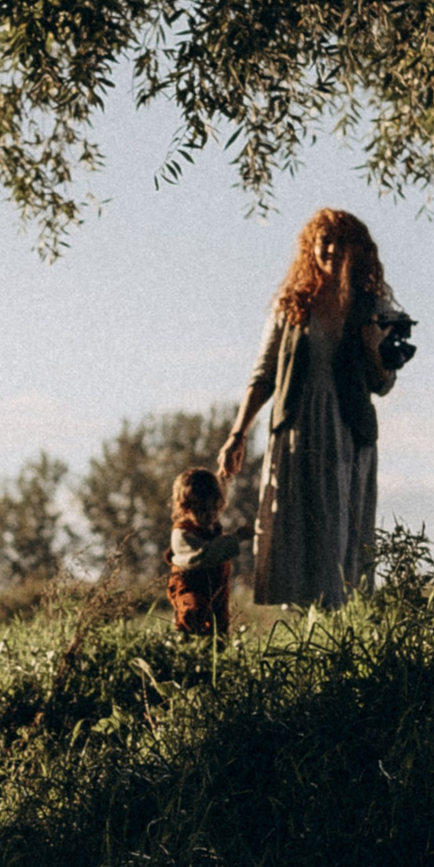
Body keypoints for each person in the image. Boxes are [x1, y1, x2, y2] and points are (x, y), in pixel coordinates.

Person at [218, 208, 404, 609]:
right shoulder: (292, 305)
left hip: (347, 430)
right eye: (325, 241)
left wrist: (374, 347)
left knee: (340, 525)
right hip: (298, 428)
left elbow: (384, 384)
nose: (332, 249)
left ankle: (339, 623)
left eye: (341, 241)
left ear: (358, 250)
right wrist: (238, 433)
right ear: (311, 246)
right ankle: (304, 627)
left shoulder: (373, 305)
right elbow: (263, 373)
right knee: (297, 523)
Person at [165, 464, 236, 637]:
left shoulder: (213, 529)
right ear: (185, 508)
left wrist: (226, 473)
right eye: (202, 510)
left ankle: (218, 653)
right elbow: (203, 556)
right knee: (191, 616)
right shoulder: (182, 534)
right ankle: (183, 648)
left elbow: (223, 486)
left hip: (216, 587)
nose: (210, 515)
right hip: (190, 587)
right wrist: (236, 539)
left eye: (214, 509)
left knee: (220, 627)